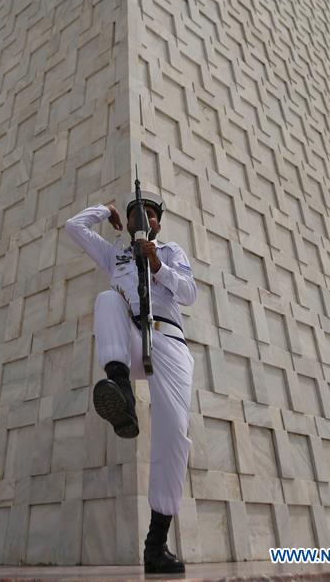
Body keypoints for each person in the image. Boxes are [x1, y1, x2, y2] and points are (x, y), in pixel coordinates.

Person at [65, 192, 196, 575]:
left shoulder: (171, 251)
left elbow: (189, 294)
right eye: (137, 212)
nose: (144, 217)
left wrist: (157, 265)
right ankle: (119, 388)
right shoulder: (116, 255)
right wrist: (104, 211)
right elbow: (74, 228)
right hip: (131, 343)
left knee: (173, 435)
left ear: (158, 222)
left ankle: (156, 545)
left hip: (168, 340)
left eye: (150, 213)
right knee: (107, 299)